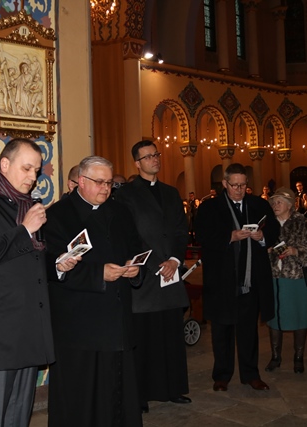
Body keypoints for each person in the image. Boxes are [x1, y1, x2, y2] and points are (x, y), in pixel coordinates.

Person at [0, 138, 77, 427]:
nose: (33, 177)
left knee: (19, 415)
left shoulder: (30, 205)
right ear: (5, 164)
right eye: (26, 168)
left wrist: (56, 265)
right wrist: (24, 229)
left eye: (37, 170)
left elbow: (31, 262)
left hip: (29, 328)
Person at [44, 156, 143, 427]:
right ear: (81, 181)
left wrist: (135, 268)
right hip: (79, 324)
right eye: (99, 182)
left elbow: (136, 247)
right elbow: (51, 266)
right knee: (82, 397)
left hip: (117, 319)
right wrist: (98, 274)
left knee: (117, 391)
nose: (105, 188)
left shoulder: (120, 211)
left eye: (109, 183)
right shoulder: (57, 215)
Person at [114, 141, 191, 413]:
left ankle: (172, 389)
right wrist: (154, 262)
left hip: (170, 273)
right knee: (144, 337)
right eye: (147, 157)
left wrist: (175, 260)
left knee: (171, 334)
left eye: (156, 154)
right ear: (137, 163)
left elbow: (181, 230)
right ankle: (141, 395)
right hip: (146, 275)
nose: (154, 159)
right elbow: (129, 235)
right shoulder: (126, 194)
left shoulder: (170, 192)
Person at [195, 163, 280, 392]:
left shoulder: (259, 204)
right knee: (221, 330)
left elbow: (273, 230)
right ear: (225, 183)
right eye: (235, 185)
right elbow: (203, 235)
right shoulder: (210, 207)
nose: (240, 190)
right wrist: (230, 236)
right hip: (222, 280)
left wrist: (262, 236)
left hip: (250, 280)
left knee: (248, 330)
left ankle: (251, 374)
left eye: (243, 185)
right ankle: (222, 375)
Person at [265, 188, 307, 374]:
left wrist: (296, 251)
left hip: (296, 276)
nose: (275, 205)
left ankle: (298, 357)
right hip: (273, 276)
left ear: (290, 205)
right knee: (274, 316)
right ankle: (275, 357)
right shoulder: (267, 223)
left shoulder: (302, 222)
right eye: (273, 202)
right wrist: (265, 250)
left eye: (279, 202)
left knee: (299, 316)